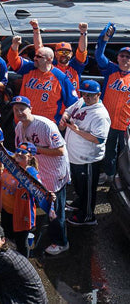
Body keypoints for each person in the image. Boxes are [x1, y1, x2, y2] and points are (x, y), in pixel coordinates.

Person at [11, 95, 69, 256]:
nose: (20, 113)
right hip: (37, 171)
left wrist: (37, 149)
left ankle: (61, 242)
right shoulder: (18, 127)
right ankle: (39, 232)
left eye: (22, 109)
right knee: (40, 204)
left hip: (54, 171)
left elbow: (60, 150)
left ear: (30, 109)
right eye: (16, 110)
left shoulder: (46, 125)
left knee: (55, 210)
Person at [60, 80, 110, 226]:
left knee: (88, 189)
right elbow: (68, 110)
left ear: (98, 95)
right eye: (85, 94)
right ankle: (79, 203)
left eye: (91, 95)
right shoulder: (81, 101)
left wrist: (77, 131)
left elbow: (98, 139)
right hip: (75, 156)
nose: (87, 97)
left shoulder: (100, 114)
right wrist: (64, 117)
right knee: (78, 185)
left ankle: (88, 216)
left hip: (87, 159)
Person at [7, 37, 77, 123]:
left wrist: (64, 118)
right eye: (35, 56)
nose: (35, 58)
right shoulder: (29, 68)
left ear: (49, 59)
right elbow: (13, 61)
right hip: (24, 121)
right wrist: (15, 46)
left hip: (47, 124)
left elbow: (73, 102)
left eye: (39, 57)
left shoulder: (61, 77)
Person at [94, 24, 130, 184]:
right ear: (117, 58)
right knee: (108, 150)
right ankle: (109, 174)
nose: (125, 59)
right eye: (122, 56)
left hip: (126, 123)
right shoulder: (111, 70)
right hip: (107, 121)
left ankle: (121, 177)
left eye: (128, 57)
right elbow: (98, 54)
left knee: (125, 152)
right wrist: (105, 38)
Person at [0, 142, 40, 257]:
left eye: (24, 152)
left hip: (20, 214)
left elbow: (41, 190)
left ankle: (23, 265)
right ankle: (10, 259)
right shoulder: (11, 163)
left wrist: (50, 197)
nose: (19, 153)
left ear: (30, 157)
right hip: (6, 211)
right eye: (18, 150)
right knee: (7, 237)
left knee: (21, 243)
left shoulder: (31, 172)